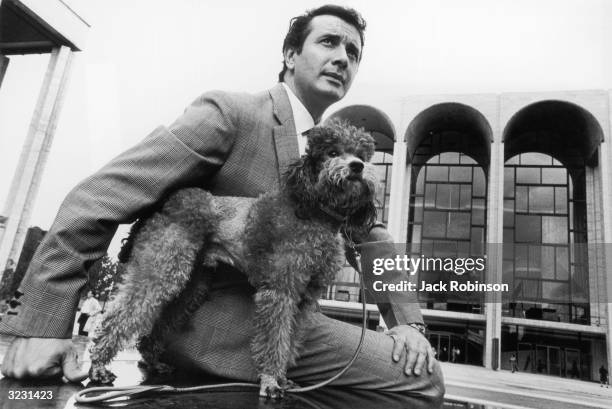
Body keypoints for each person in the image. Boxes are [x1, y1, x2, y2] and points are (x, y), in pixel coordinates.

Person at [0, 4, 443, 398]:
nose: (343, 57)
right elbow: (103, 194)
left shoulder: (339, 154)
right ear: (289, 56)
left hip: (289, 316)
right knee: (420, 382)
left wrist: (407, 322)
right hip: (210, 325)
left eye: (354, 52)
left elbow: (373, 237)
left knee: (407, 364)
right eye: (328, 41)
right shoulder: (230, 114)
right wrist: (41, 325)